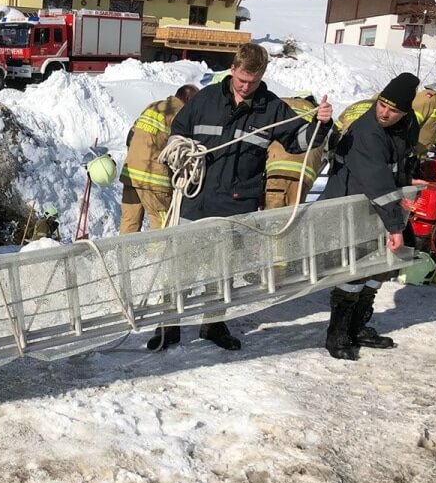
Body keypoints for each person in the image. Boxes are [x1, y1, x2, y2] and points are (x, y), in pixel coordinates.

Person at [148, 43, 333, 352]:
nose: (246, 87)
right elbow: (178, 131)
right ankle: (169, 325)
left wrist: (322, 124)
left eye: (253, 82)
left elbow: (299, 141)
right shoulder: (205, 99)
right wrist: (181, 151)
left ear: (262, 76)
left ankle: (214, 323)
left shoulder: (271, 107)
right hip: (196, 200)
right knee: (181, 266)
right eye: (242, 80)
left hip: (237, 204)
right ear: (232, 69)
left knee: (223, 269)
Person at [320, 72, 420, 361]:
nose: (384, 113)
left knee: (377, 270)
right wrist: (395, 226)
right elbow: (377, 182)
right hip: (350, 204)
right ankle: (338, 334)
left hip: (377, 206)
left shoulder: (408, 124)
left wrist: (408, 183)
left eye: (393, 110)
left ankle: (357, 327)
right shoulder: (368, 132)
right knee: (354, 270)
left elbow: (400, 163)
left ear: (405, 112)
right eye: (382, 104)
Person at [119, 84, 199, 234]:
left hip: (131, 173)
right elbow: (182, 149)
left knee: (129, 223)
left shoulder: (153, 107)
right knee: (162, 226)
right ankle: (159, 251)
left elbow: (130, 136)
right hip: (153, 178)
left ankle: (123, 250)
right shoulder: (181, 113)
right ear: (188, 99)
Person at [264, 91, 325, 209]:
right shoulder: (318, 115)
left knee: (272, 215)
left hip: (276, 171)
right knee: (294, 214)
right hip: (303, 177)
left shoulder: (280, 106)